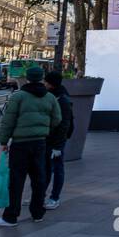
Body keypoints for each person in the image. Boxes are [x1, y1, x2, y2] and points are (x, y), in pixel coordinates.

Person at [0, 66, 61, 227]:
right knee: (38, 179)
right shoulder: (50, 97)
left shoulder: (19, 96)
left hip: (20, 143)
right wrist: (44, 128)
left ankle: (11, 216)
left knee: (16, 180)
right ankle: (38, 213)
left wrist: (3, 141)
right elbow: (57, 118)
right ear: (41, 78)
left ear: (28, 78)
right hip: (40, 142)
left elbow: (8, 120)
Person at [43, 70, 75, 210]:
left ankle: (54, 197)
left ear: (51, 84)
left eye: (45, 81)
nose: (43, 83)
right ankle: (41, 194)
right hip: (50, 137)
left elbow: (64, 124)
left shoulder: (62, 99)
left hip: (57, 140)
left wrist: (58, 146)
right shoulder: (53, 95)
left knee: (57, 168)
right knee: (46, 168)